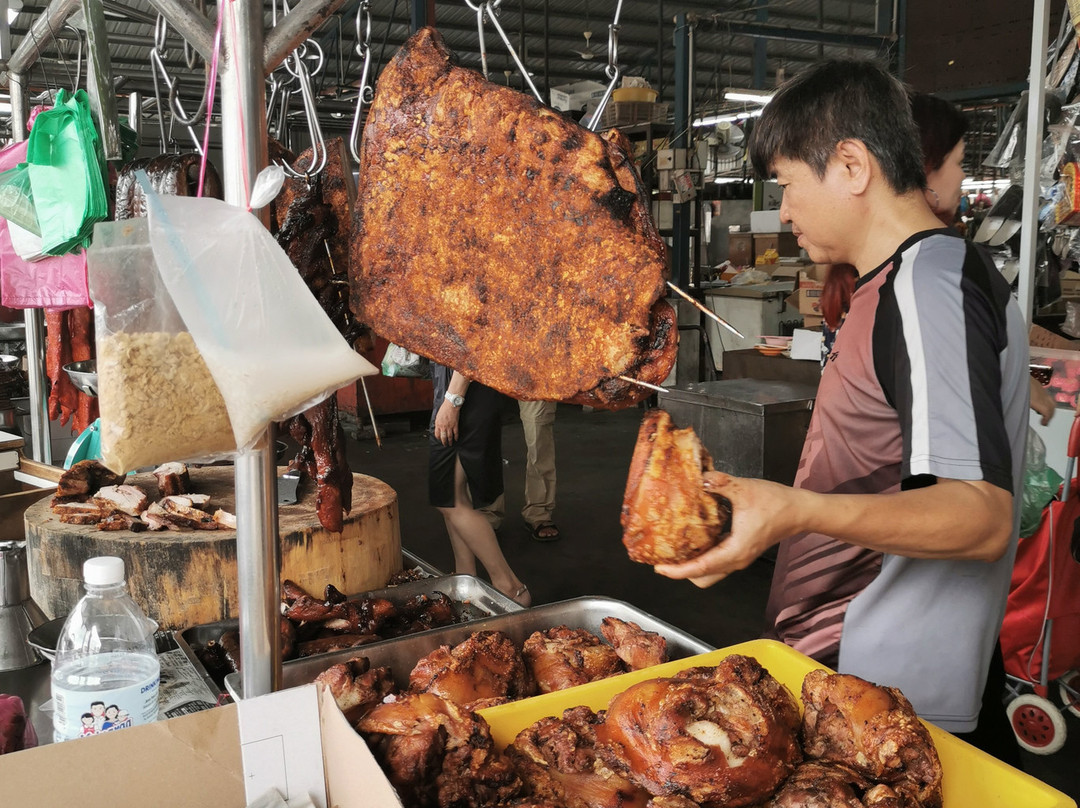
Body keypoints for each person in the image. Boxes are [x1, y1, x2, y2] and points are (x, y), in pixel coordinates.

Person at [654, 60, 1030, 757]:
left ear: (853, 166)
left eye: (790, 184)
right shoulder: (896, 284)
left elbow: (979, 514)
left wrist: (795, 512)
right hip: (856, 664)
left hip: (889, 683)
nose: (785, 210)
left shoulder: (927, 288)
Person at [821, 92, 1057, 424]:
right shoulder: (930, 273)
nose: (963, 177)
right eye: (959, 162)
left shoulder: (877, 266)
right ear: (925, 168)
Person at [429, 364, 530, 606]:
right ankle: (465, 578)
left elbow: (468, 348)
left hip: (467, 395)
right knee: (451, 496)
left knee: (448, 498)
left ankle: (510, 585)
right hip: (455, 390)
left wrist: (453, 401)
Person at [481, 400, 560, 541]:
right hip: (486, 379)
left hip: (536, 378)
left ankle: (539, 512)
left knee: (539, 433)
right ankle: (486, 511)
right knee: (484, 433)